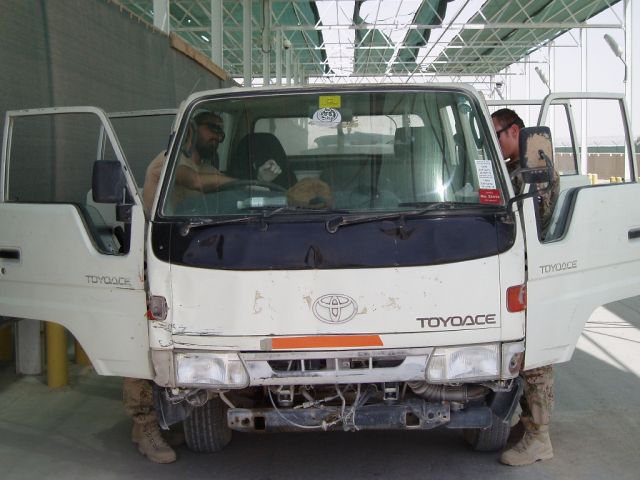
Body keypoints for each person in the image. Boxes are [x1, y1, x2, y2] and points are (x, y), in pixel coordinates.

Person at [125, 110, 285, 464]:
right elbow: (197, 182)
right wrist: (255, 183)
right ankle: (144, 426)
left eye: (221, 133)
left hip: (183, 258)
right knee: (141, 345)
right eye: (213, 129)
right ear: (192, 130)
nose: (218, 137)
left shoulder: (203, 165)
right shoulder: (169, 161)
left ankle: (172, 418)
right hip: (154, 261)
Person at [491, 108, 559, 467]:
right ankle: (525, 423)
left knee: (535, 361)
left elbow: (532, 220)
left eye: (496, 134)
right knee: (520, 355)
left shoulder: (535, 172)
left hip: (535, 274)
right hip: (520, 271)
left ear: (514, 131)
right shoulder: (516, 169)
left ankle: (539, 438)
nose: (494, 142)